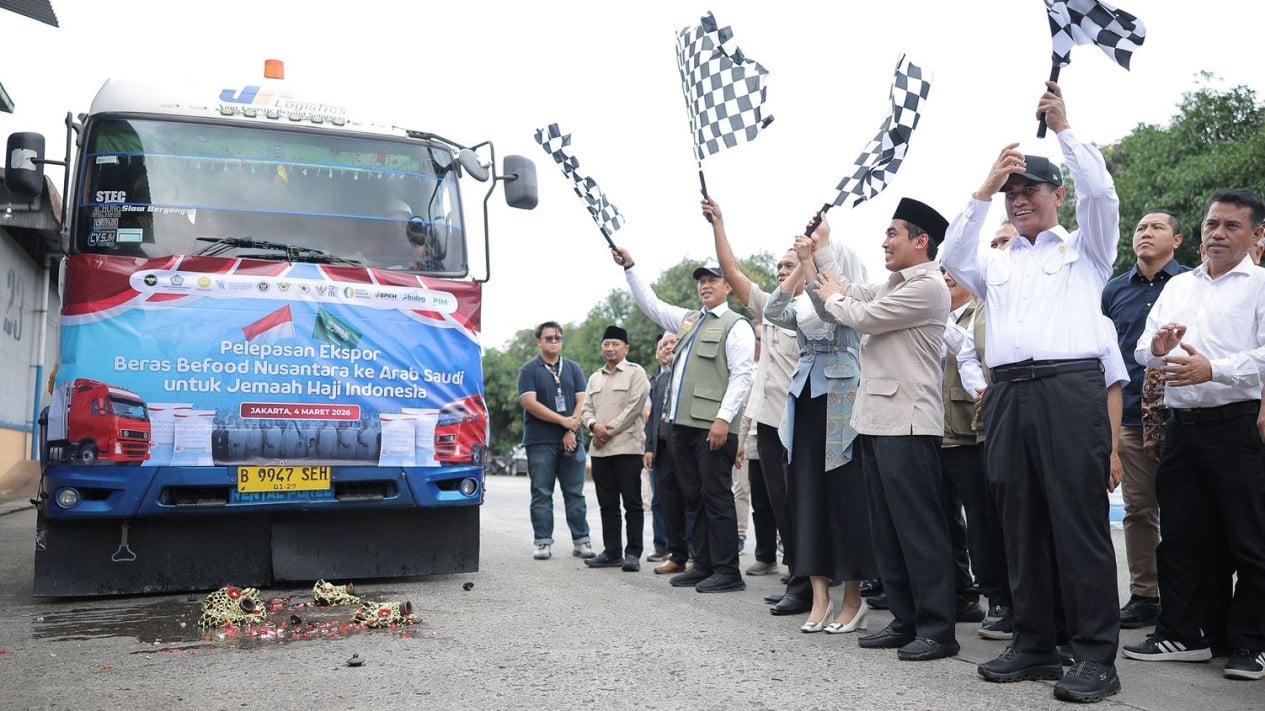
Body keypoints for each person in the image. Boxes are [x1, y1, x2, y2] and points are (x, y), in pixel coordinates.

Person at [940, 82, 1123, 703]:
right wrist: (984, 187)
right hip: (1009, 392)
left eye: (1031, 191)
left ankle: (1096, 654)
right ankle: (1036, 641)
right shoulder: (998, 262)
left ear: (1056, 195)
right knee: (1018, 521)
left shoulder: (1086, 250)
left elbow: (1101, 193)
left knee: (1078, 523)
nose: (1020, 202)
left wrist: (1066, 128)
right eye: (1013, 195)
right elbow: (953, 252)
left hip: (1070, 390)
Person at [1123, 188, 1265, 682]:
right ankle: (1183, 634)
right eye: (1211, 225)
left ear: (1257, 235)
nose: (1217, 234)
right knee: (1181, 537)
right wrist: (1160, 350)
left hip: (1238, 427)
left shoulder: (1261, 285)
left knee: (1250, 539)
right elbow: (1144, 349)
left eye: (1231, 226)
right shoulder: (1180, 287)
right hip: (1183, 428)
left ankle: (1251, 643)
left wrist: (1215, 369)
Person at [813, 198, 954, 659]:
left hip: (909, 424)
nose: (884, 242)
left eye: (892, 233)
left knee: (919, 530)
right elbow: (850, 294)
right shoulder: (895, 284)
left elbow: (861, 315)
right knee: (888, 531)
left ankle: (937, 629)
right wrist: (823, 247)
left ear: (921, 241)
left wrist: (836, 294)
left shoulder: (929, 287)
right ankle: (905, 619)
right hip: (876, 420)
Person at [613, 246, 756, 593]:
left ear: (728, 287)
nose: (705, 286)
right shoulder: (691, 320)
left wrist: (723, 420)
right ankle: (703, 563)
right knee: (694, 498)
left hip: (712, 428)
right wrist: (631, 267)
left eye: (713, 280)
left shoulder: (736, 326)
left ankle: (727, 570)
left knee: (716, 497)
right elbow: (653, 306)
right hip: (682, 426)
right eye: (702, 281)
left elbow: (742, 376)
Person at [762, 210, 878, 635]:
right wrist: (796, 266)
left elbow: (827, 311)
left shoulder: (848, 299)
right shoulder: (802, 299)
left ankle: (853, 599)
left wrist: (811, 261)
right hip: (805, 401)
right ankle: (818, 597)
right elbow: (774, 310)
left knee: (845, 502)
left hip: (843, 404)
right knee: (807, 499)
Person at [704, 197, 801, 585]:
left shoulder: (820, 308)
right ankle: (799, 578)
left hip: (804, 424)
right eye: (778, 265)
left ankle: (816, 581)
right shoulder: (768, 308)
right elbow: (731, 270)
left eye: (789, 265)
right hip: (769, 424)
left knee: (802, 506)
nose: (780, 271)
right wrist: (719, 224)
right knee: (779, 506)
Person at [1101, 210, 1189, 630]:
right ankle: (1144, 594)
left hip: (1188, 415)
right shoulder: (1114, 291)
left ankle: (1192, 599)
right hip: (1133, 416)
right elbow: (1103, 358)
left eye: (1156, 227)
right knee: (1139, 510)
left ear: (1178, 240)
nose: (1145, 233)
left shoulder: (1192, 284)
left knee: (1189, 512)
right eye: (1139, 228)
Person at [939, 267, 1007, 633]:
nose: (947, 276)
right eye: (942, 270)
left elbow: (968, 351)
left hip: (969, 428)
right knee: (944, 520)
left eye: (954, 270)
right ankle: (959, 592)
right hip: (934, 430)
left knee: (982, 522)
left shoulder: (982, 308)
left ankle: (995, 595)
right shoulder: (934, 310)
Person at [517, 321, 596, 561]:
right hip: (540, 441)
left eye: (558, 338)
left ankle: (581, 541)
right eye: (549, 338)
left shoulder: (573, 368)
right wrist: (562, 422)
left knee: (575, 493)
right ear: (539, 341)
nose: (554, 341)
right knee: (541, 493)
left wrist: (571, 429)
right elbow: (529, 402)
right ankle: (543, 542)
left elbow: (582, 400)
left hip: (572, 439)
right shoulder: (529, 369)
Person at [581, 325, 650, 572]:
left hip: (627, 449)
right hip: (600, 451)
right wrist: (593, 426)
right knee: (607, 504)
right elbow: (586, 408)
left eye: (615, 344)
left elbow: (634, 407)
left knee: (632, 503)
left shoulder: (636, 373)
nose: (610, 348)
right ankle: (612, 552)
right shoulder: (594, 378)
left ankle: (633, 553)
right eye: (606, 344)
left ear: (626, 348)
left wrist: (606, 431)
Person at [644, 331, 691, 572]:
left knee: (690, 500)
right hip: (662, 448)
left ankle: (696, 554)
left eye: (674, 342)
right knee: (667, 502)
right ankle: (677, 554)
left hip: (685, 445)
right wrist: (649, 448)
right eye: (664, 344)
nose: (669, 347)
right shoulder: (659, 380)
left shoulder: (690, 374)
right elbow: (652, 418)